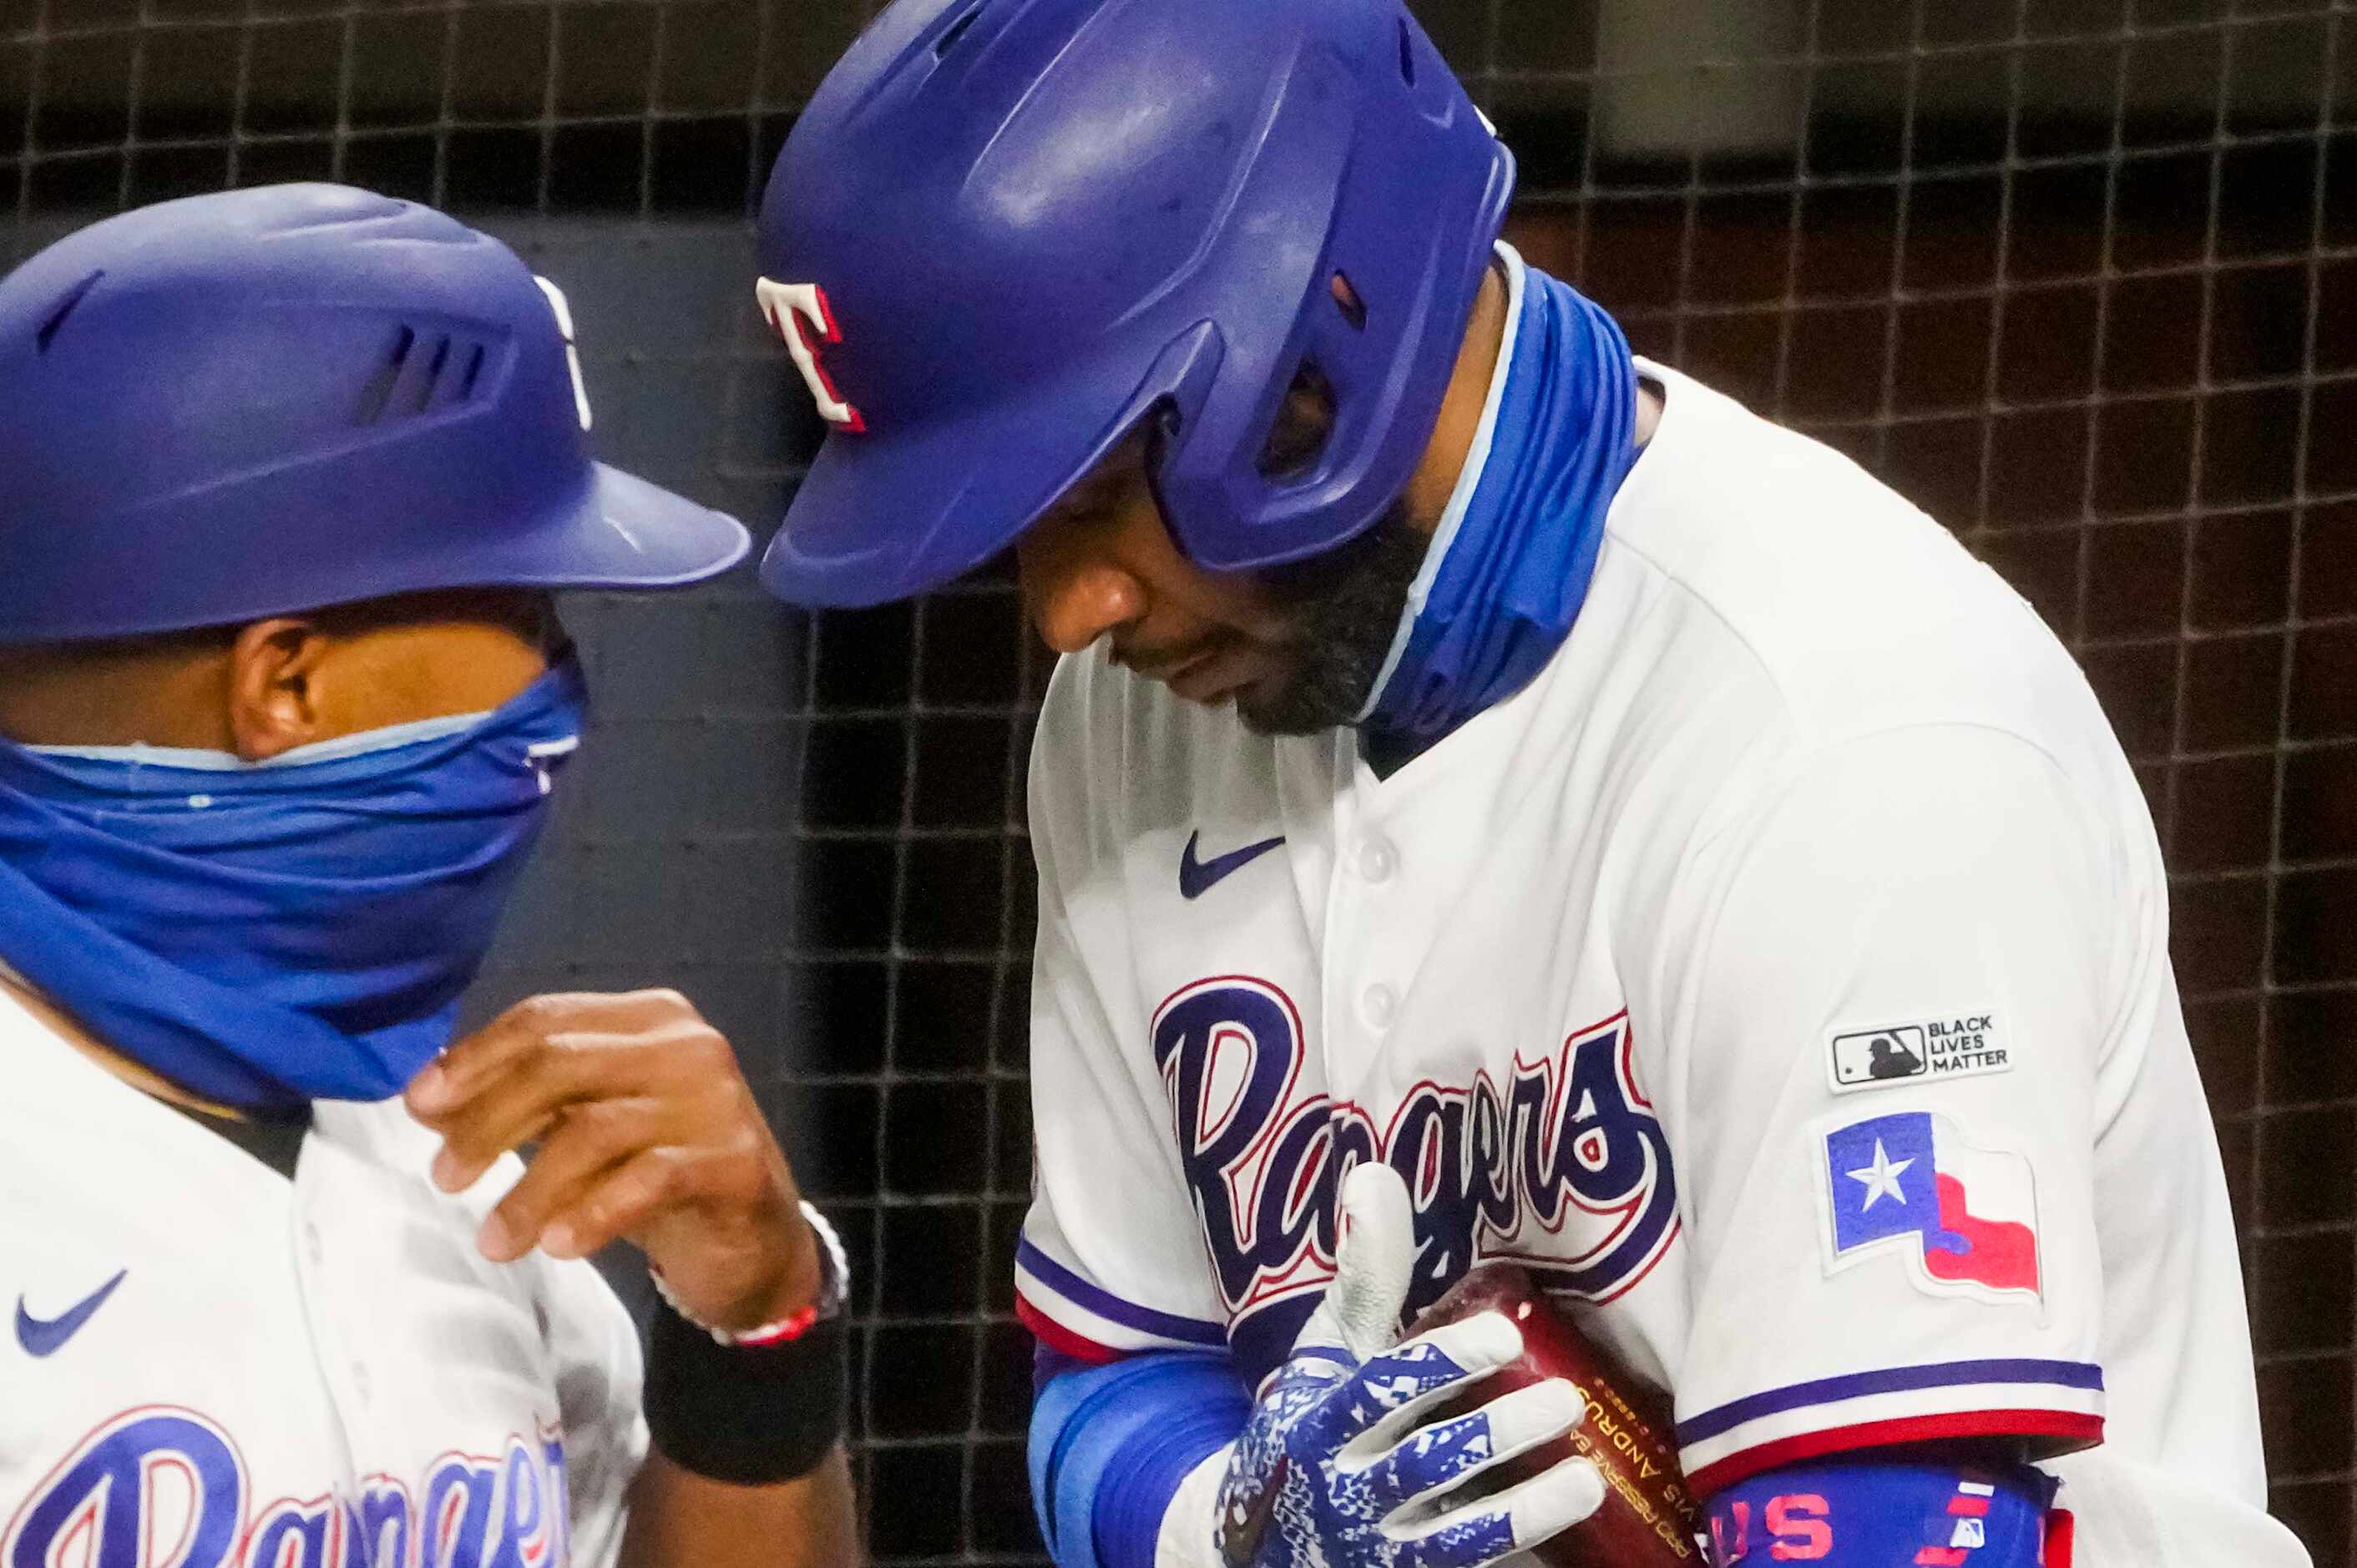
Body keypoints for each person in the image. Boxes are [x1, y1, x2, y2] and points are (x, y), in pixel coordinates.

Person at [745, 2, 2313, 1565]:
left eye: (1092, 494)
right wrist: (1235, 1527)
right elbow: (1112, 1381)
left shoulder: (1846, 728)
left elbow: (1898, 1530)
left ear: (1324, 329)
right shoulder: (1140, 708)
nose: (1070, 610)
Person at [0, 185, 856, 1568]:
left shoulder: (456, 1173)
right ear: (288, 680)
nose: (562, 687)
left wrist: (754, 1333)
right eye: (525, 614)